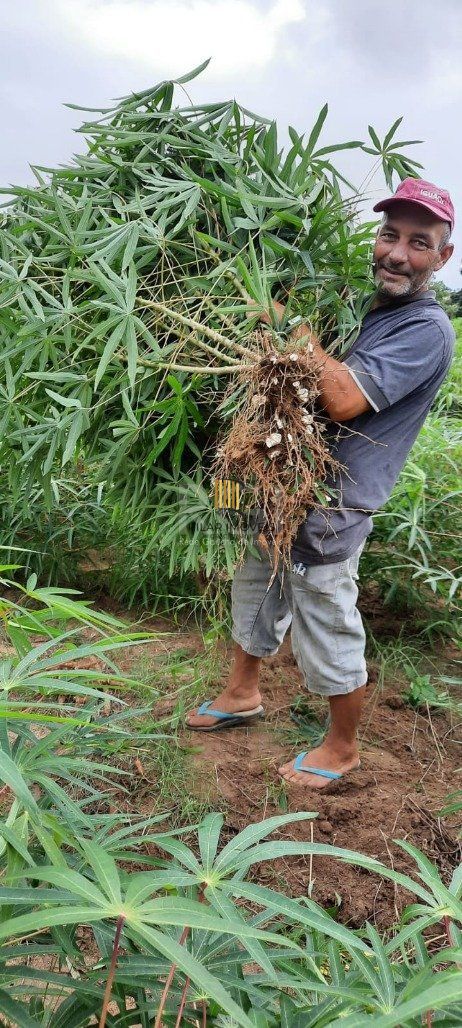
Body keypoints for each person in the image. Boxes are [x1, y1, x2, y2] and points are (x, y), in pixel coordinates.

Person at [187, 178, 456, 789]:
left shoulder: (426, 330)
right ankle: (241, 693)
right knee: (255, 585)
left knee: (325, 614)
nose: (397, 253)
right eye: (390, 234)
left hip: (334, 504)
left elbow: (339, 398)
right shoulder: (361, 304)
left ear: (442, 258)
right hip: (282, 484)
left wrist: (285, 322)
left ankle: (341, 749)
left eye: (420, 243)